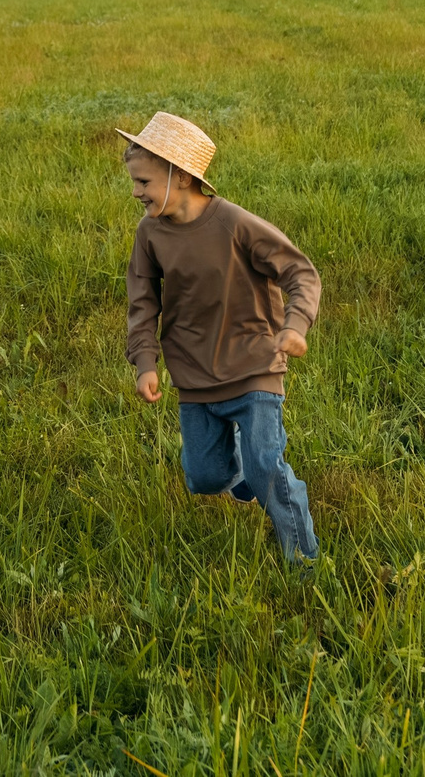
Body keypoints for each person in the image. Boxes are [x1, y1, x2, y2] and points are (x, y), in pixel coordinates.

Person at [120, 112, 322, 564]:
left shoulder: (234, 224)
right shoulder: (149, 233)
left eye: (144, 182)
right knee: (205, 478)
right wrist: (146, 361)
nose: (136, 192)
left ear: (182, 176)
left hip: (253, 366)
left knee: (268, 466)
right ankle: (244, 477)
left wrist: (295, 324)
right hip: (193, 373)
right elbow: (142, 300)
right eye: (135, 182)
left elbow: (300, 272)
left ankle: (304, 560)